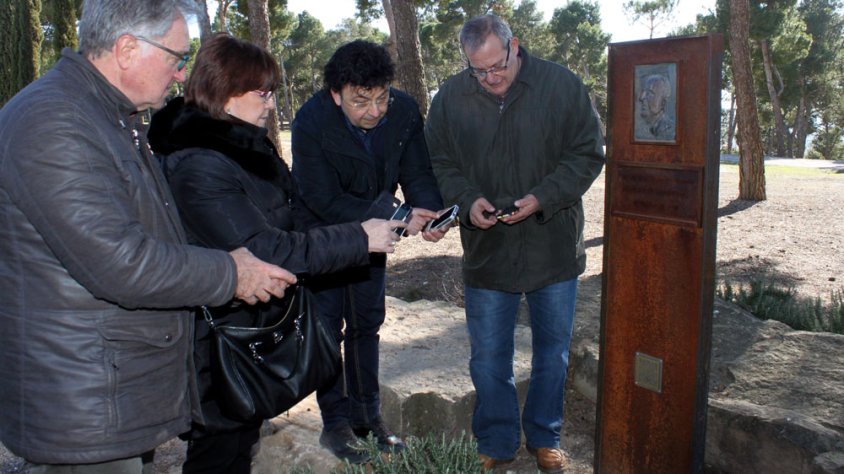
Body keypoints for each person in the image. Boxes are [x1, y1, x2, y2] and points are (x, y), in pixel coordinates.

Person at [0, 1, 296, 472]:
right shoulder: (56, 122)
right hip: (84, 398)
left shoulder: (104, 114)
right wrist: (232, 273)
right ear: (126, 49)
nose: (181, 74)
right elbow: (120, 263)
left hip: (106, 382)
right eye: (177, 58)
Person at [147, 33, 405, 473]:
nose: (271, 103)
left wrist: (355, 230)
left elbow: (289, 218)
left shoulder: (242, 146)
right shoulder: (200, 165)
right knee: (217, 452)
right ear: (226, 94)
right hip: (217, 344)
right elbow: (266, 249)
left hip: (247, 330)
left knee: (239, 444)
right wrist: (358, 238)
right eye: (262, 93)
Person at [424, 14, 606, 473]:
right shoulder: (450, 98)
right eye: (478, 71)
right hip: (488, 250)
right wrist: (468, 201)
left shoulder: (561, 85)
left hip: (553, 245)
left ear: (515, 45)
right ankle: (497, 440)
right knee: (488, 357)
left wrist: (543, 197)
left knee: (552, 355)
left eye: (497, 66)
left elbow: (588, 153)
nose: (490, 78)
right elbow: (439, 161)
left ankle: (545, 437)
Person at [291, 40, 447, 463]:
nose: (375, 111)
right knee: (328, 328)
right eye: (361, 101)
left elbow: (417, 171)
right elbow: (321, 197)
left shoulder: (403, 110)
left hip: (376, 234)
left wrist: (428, 212)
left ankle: (367, 417)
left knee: (366, 323)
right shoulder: (310, 121)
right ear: (336, 94)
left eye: (381, 98)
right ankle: (336, 424)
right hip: (322, 235)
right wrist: (397, 213)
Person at [637, 73, 675, 140]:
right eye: (643, 92)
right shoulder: (642, 128)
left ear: (663, 102)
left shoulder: (672, 132)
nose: (641, 97)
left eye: (649, 93)